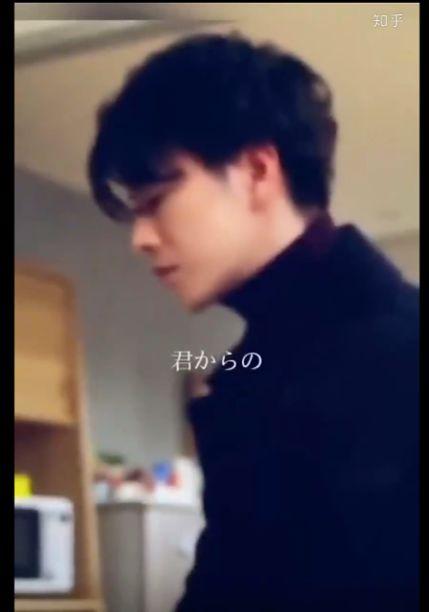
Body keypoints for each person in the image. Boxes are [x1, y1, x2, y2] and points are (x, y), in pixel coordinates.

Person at [87, 32, 419, 612]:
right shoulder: (255, 369)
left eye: (155, 201)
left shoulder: (396, 353)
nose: (141, 238)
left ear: (258, 170)